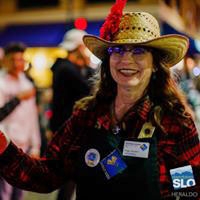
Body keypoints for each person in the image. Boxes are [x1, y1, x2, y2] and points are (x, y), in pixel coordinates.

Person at [0, 0, 199, 199]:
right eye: (117, 50)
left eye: (138, 50)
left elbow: (188, 192)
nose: (126, 59)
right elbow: (47, 174)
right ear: (108, 61)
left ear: (155, 63)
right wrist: (3, 146)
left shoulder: (175, 123)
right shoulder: (87, 116)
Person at [50, 28, 94, 200]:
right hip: (67, 130)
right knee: (70, 176)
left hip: (72, 128)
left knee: (74, 177)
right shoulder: (65, 69)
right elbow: (89, 88)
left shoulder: (71, 68)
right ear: (78, 48)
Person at [0, 42, 41, 200]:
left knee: (20, 192)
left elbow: (32, 118)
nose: (18, 63)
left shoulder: (27, 83)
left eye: (21, 60)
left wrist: (35, 146)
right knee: (4, 193)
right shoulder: (1, 83)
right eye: (14, 59)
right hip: (5, 147)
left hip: (24, 147)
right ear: (6, 60)